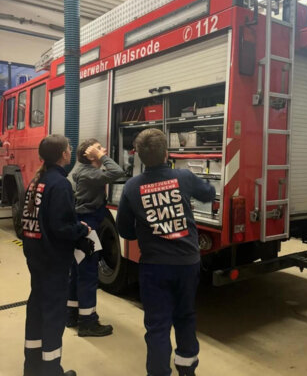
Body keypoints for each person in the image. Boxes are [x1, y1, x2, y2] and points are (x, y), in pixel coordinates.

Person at [116, 128, 216, 376]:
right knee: (185, 316)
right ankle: (186, 370)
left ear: (138, 156)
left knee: (158, 326)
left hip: (154, 267)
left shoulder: (131, 187)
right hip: (187, 263)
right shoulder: (184, 177)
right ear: (167, 154)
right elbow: (209, 194)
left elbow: (125, 231)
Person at [23, 134, 93, 376]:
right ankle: (51, 370)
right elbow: (61, 227)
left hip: (36, 259)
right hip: (53, 263)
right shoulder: (60, 184)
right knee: (53, 317)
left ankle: (32, 368)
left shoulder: (36, 181)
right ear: (64, 155)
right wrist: (82, 229)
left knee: (36, 311)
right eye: (69, 148)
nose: (71, 150)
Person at [66, 138, 124, 337]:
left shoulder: (79, 168)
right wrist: (102, 157)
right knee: (89, 273)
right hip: (88, 228)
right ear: (88, 155)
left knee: (76, 270)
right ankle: (88, 322)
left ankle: (72, 314)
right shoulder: (89, 173)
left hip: (81, 225)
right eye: (99, 149)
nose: (104, 150)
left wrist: (97, 154)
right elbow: (117, 172)